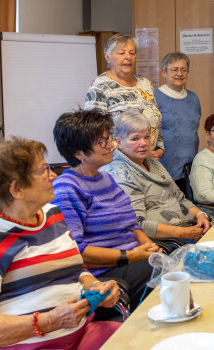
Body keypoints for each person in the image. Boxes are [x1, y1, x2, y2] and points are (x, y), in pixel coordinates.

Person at [0, 137, 121, 349]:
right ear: (17, 189)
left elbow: (77, 269)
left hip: (81, 334)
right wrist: (50, 321)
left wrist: (96, 285)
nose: (53, 175)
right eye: (43, 171)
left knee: (143, 338)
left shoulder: (51, 214)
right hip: (28, 346)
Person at [52, 109, 162, 311]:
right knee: (168, 275)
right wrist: (129, 256)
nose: (111, 145)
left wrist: (150, 248)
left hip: (133, 258)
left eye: (108, 139)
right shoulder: (67, 188)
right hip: (105, 271)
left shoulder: (105, 178)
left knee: (172, 261)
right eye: (102, 142)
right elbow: (75, 251)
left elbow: (132, 225)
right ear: (79, 153)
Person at [101, 111, 211, 244]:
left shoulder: (152, 162)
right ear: (119, 142)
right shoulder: (120, 173)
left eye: (146, 137)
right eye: (135, 138)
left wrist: (200, 215)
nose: (143, 143)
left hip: (188, 228)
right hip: (169, 241)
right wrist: (183, 233)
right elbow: (137, 225)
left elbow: (180, 198)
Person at [84, 34, 164, 160]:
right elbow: (93, 131)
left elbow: (155, 118)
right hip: (117, 163)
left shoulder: (145, 84)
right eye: (121, 53)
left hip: (148, 161)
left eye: (132, 53)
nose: (128, 57)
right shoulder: (100, 86)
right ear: (107, 57)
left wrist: (159, 149)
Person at [153, 52, 201, 195]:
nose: (179, 73)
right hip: (163, 167)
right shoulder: (154, 97)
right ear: (164, 72)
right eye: (174, 69)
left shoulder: (194, 98)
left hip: (189, 169)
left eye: (183, 69)